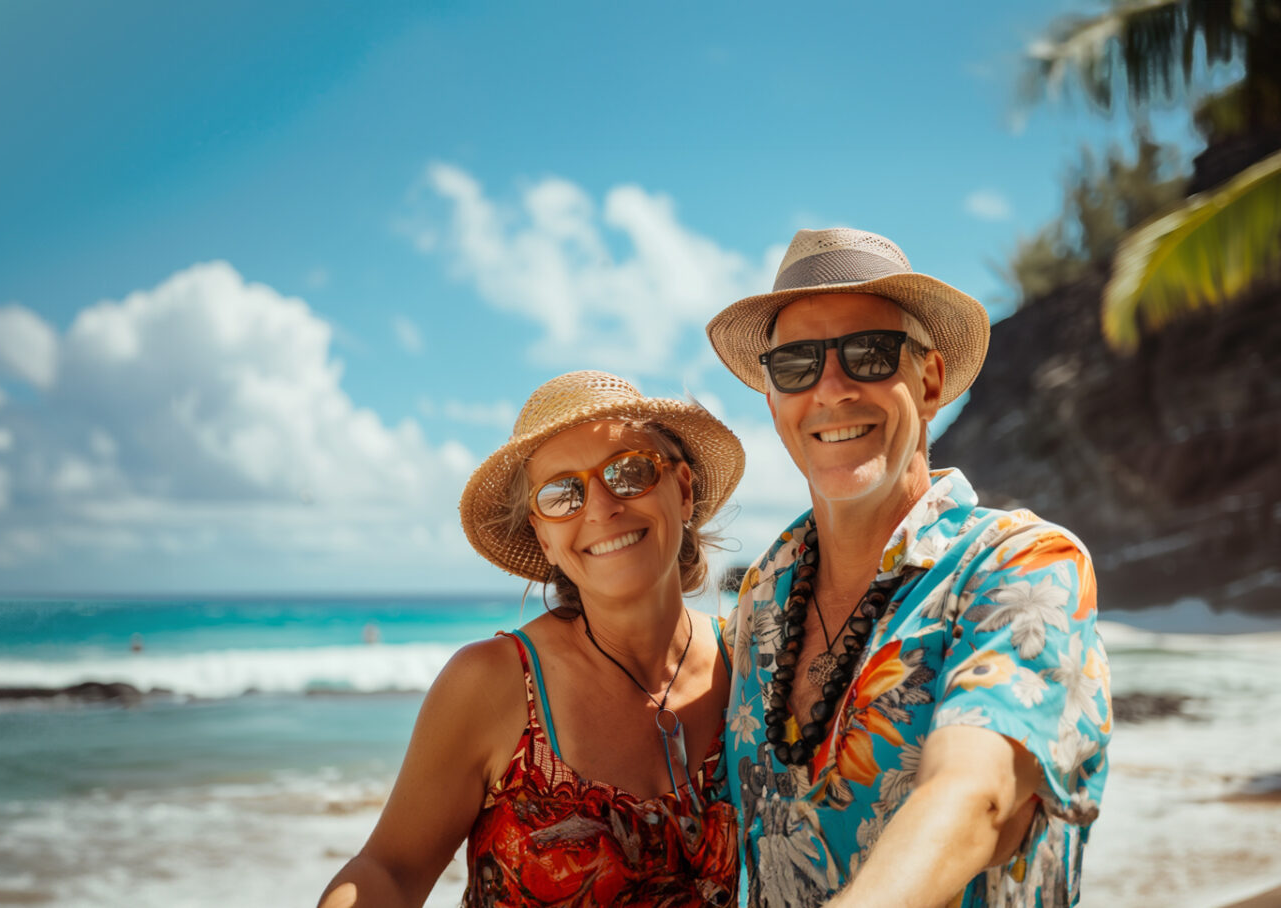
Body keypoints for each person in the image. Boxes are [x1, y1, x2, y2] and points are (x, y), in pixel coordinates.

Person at [704, 228, 1110, 907]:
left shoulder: (1022, 564)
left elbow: (974, 795)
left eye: (868, 354)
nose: (832, 389)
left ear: (930, 381)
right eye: (797, 366)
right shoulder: (762, 597)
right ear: (773, 402)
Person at [319, 371, 747, 908]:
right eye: (563, 493)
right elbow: (389, 870)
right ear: (543, 534)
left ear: (682, 489)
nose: (600, 507)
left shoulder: (750, 662)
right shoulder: (493, 684)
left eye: (629, 471)